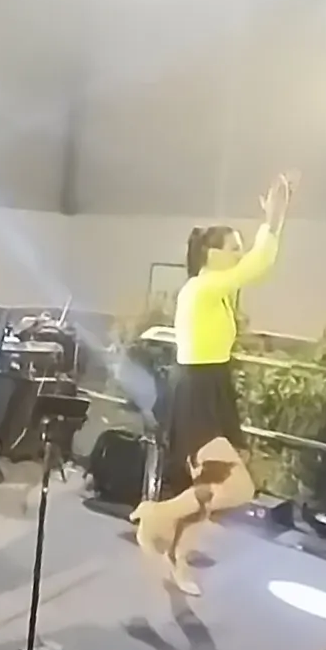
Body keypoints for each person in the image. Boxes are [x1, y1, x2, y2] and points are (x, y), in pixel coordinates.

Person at [131, 176, 290, 596]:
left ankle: (178, 557)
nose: (238, 254)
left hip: (214, 387)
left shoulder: (216, 293)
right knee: (237, 488)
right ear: (212, 254)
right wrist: (273, 222)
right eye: (233, 247)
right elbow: (256, 266)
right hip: (197, 393)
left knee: (210, 488)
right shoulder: (201, 287)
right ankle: (156, 514)